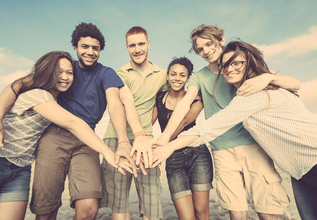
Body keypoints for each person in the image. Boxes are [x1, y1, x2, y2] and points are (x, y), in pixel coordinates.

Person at [0, 23, 134, 220]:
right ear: (75, 47)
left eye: (95, 48)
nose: (90, 52)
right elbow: (17, 85)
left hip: (88, 140)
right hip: (53, 136)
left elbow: (115, 104)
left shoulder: (106, 73)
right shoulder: (63, 69)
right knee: (46, 209)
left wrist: (123, 142)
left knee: (89, 208)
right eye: (85, 46)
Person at [152, 40, 317, 220]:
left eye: (236, 63)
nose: (229, 69)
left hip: (312, 158)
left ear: (250, 62)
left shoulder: (254, 95)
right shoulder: (254, 89)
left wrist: (168, 145)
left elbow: (211, 126)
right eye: (224, 66)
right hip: (298, 169)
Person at [100, 26, 169, 220]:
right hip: (116, 139)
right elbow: (126, 103)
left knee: (151, 202)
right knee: (119, 202)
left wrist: (145, 132)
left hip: (146, 142)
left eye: (141, 44)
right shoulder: (119, 74)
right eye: (132, 45)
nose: (137, 49)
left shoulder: (162, 75)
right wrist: (138, 133)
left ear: (148, 43)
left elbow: (159, 105)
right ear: (126, 47)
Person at [151, 57, 213, 220]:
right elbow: (148, 123)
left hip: (198, 153)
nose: (177, 78)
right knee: (186, 216)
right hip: (173, 158)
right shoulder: (159, 99)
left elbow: (185, 120)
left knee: (201, 212)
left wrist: (164, 143)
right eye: (173, 74)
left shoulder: (196, 99)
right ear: (168, 76)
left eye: (182, 75)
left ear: (188, 78)